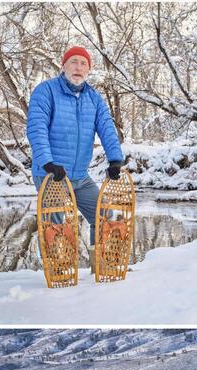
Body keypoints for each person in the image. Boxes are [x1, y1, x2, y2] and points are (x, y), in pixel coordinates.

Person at [26, 46, 126, 258]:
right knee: (55, 222)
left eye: (83, 63)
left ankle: (98, 263)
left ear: (89, 70)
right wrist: (47, 162)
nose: (78, 67)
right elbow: (37, 127)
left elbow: (107, 127)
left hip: (80, 175)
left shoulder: (94, 98)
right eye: (73, 62)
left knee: (103, 215)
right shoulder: (46, 91)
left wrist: (115, 159)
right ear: (64, 66)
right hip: (51, 175)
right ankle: (56, 270)